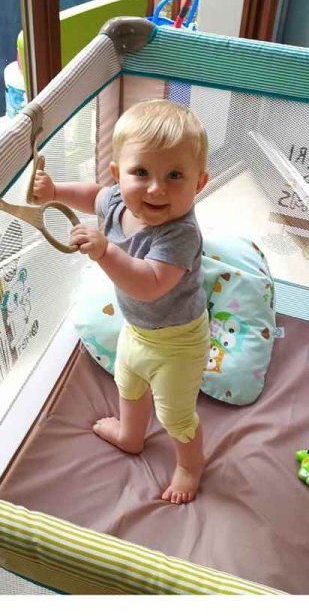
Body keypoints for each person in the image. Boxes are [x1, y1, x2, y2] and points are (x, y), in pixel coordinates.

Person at [32, 99, 210, 503]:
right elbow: (93, 196)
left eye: (175, 175)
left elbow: (149, 285)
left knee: (175, 414)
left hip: (179, 343)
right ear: (117, 175)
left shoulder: (180, 235)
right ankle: (131, 436)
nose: (156, 188)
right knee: (128, 383)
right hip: (137, 329)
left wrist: (105, 253)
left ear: (199, 183)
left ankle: (190, 464)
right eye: (141, 172)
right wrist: (55, 192)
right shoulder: (116, 200)